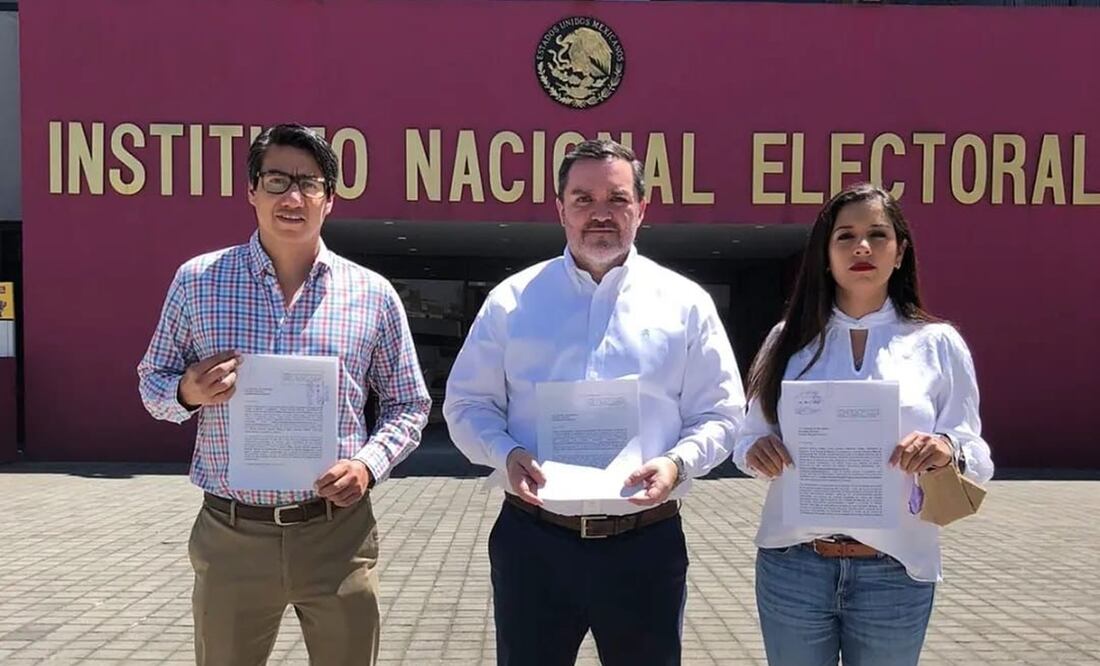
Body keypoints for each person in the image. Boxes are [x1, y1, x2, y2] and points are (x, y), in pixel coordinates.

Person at [137, 123, 430, 666]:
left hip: (336, 534)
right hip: (232, 535)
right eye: (277, 180)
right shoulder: (198, 282)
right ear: (251, 190)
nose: (293, 197)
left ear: (330, 199)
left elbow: (409, 404)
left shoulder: (371, 294)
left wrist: (367, 465)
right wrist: (188, 391)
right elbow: (151, 382)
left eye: (309, 183)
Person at [443, 139, 745, 666]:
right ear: (560, 209)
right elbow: (467, 405)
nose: (600, 213)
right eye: (583, 199)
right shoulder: (512, 301)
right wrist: (505, 454)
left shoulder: (685, 304)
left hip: (644, 545)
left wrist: (679, 463)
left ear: (642, 208)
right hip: (534, 543)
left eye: (617, 198)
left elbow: (721, 413)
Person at [732, 182, 995, 666]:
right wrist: (756, 452)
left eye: (877, 234)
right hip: (794, 563)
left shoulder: (937, 343)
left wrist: (945, 449)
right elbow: (746, 439)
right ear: (824, 255)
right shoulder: (785, 341)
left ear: (900, 252)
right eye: (845, 236)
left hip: (895, 567)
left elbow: (976, 455)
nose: (862, 248)